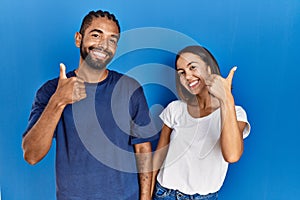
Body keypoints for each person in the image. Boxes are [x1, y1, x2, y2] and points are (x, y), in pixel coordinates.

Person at [22, 10, 157, 200]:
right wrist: (58, 101)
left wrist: (145, 199)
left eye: (112, 39)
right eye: (96, 35)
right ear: (79, 39)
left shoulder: (130, 88)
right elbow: (31, 155)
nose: (104, 45)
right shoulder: (51, 91)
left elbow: (143, 149)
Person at [151, 45, 251, 199]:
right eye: (182, 73)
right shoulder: (175, 109)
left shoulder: (236, 113)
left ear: (209, 68)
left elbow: (232, 155)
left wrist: (226, 99)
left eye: (193, 68)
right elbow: (158, 157)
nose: (188, 76)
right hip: (165, 194)